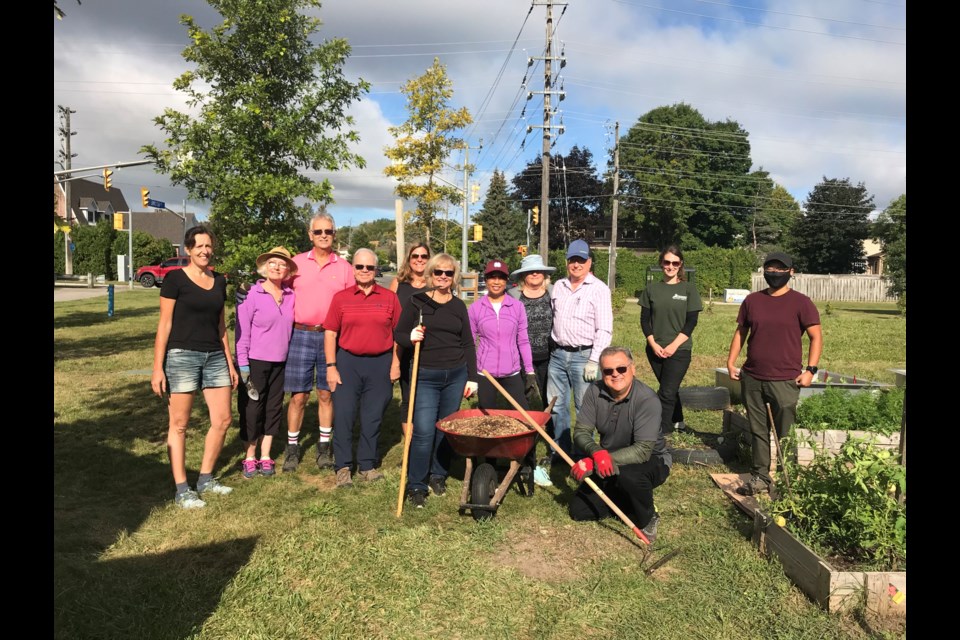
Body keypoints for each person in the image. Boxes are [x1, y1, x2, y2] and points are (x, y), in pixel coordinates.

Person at [151, 225, 238, 509]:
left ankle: (205, 478)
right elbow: (164, 325)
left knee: (223, 419)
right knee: (179, 425)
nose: (204, 250)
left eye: (208, 246)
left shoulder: (219, 281)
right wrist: (157, 367)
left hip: (215, 357)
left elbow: (220, 325)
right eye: (199, 246)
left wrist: (230, 361)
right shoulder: (175, 279)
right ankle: (181, 489)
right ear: (188, 249)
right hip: (181, 356)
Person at [727, 252, 823, 496]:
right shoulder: (752, 301)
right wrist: (730, 362)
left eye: (781, 269)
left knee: (785, 432)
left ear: (791, 272)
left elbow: (816, 337)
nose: (775, 273)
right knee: (757, 429)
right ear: (764, 271)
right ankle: (760, 476)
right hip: (753, 377)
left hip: (785, 379)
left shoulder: (802, 302)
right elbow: (741, 333)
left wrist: (810, 370)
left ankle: (788, 478)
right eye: (770, 268)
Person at [394, 253, 478, 508]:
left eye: (448, 273)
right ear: (430, 275)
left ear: (454, 277)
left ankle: (438, 474)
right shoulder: (416, 302)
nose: (443, 276)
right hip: (425, 374)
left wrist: (472, 378)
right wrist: (411, 336)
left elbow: (467, 343)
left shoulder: (458, 306)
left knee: (446, 429)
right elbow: (398, 334)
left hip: (455, 375)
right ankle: (417, 484)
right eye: (438, 272)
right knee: (423, 431)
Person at [568, 347, 670, 544]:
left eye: (621, 368)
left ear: (633, 369)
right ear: (602, 373)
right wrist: (596, 453)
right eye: (608, 371)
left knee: (628, 476)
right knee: (579, 511)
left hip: (651, 460)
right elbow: (581, 433)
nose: (615, 374)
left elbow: (643, 451)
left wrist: (596, 460)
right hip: (609, 458)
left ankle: (649, 517)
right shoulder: (594, 391)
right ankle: (626, 500)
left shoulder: (647, 399)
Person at [282, 212, 354, 473]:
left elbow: (352, 304)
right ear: (310, 235)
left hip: (331, 337)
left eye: (329, 231)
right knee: (299, 396)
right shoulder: (296, 263)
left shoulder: (345, 268)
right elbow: (277, 288)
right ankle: (292, 450)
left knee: (326, 393)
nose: (324, 235)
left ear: (335, 234)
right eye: (319, 231)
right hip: (300, 334)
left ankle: (324, 450)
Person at [324, 249, 402, 488]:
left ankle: (367, 465)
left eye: (369, 267)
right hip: (348, 362)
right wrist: (331, 366)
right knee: (345, 415)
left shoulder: (389, 298)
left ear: (376, 269)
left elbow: (398, 333)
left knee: (373, 416)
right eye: (360, 267)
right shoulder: (341, 298)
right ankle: (344, 466)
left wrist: (396, 363)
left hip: (380, 362)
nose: (365, 271)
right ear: (353, 269)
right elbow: (330, 333)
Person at [545, 239, 613, 471]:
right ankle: (560, 451)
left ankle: (583, 453)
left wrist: (595, 360)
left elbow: (604, 328)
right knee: (556, 406)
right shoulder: (559, 286)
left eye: (581, 260)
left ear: (589, 262)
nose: (576, 264)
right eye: (572, 260)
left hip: (584, 357)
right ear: (567, 262)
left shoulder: (599, 289)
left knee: (585, 409)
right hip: (558, 355)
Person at [234, 246, 297, 479]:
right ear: (264, 267)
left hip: (281, 361)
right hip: (255, 361)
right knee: (252, 410)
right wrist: (242, 366)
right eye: (272, 263)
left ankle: (266, 455)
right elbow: (242, 332)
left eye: (282, 264)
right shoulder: (251, 294)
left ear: (288, 270)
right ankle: (250, 456)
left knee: (273, 408)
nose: (277, 267)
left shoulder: (291, 296)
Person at [639, 245, 702, 433]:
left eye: (675, 263)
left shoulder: (689, 289)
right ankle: (678, 420)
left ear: (680, 264)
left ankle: (660, 433)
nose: (670, 266)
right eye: (667, 262)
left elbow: (691, 322)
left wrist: (674, 345)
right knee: (669, 388)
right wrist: (653, 343)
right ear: (661, 263)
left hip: (679, 350)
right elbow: (644, 320)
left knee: (665, 392)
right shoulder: (651, 289)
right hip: (654, 349)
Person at [507, 253, 557, 487]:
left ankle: (554, 446)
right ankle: (523, 444)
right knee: (524, 403)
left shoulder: (554, 293)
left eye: (539, 270)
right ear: (523, 275)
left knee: (552, 401)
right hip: (521, 358)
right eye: (530, 271)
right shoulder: (513, 295)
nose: (535, 274)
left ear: (545, 274)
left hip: (551, 356)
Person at [469, 259, 536, 412]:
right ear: (486, 280)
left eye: (501, 277)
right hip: (485, 372)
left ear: (506, 280)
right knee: (488, 419)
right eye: (492, 277)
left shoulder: (517, 307)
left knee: (521, 414)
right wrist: (471, 375)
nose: (496, 281)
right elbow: (470, 343)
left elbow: (523, 341)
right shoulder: (475, 308)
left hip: (512, 370)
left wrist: (530, 371)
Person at [389, 243, 431, 421]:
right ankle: (411, 441)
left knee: (427, 397)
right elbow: (389, 317)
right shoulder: (398, 284)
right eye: (415, 256)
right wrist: (394, 362)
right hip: (402, 345)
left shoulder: (434, 283)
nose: (419, 259)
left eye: (424, 256)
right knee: (408, 397)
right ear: (409, 259)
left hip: (429, 347)